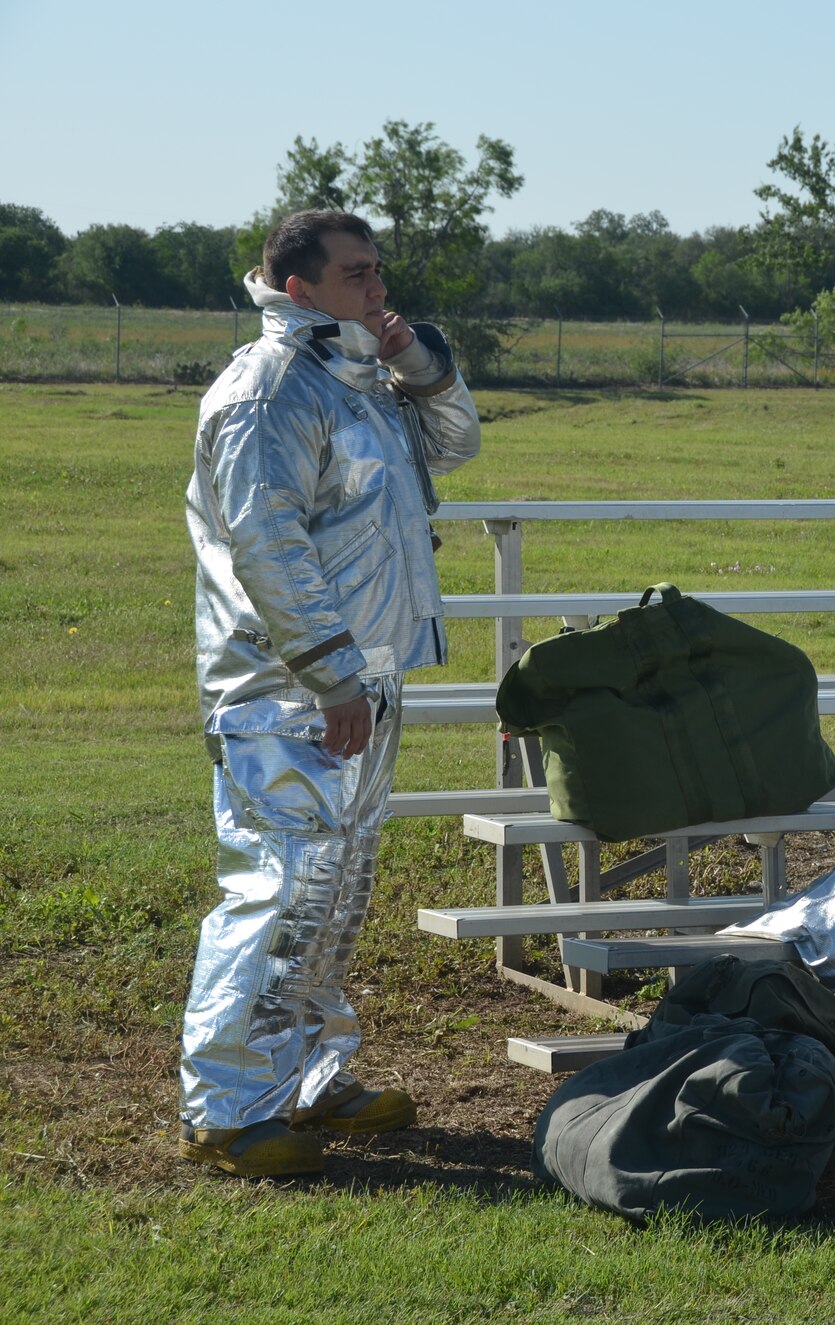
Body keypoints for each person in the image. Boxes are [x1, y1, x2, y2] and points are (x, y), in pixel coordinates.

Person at [178, 210, 481, 1177]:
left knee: (333, 895)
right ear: (297, 287)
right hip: (286, 690)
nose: (378, 289)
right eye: (358, 275)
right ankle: (226, 1105)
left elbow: (458, 444)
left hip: (363, 680)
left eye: (379, 271)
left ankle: (308, 1079)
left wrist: (421, 363)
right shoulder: (267, 390)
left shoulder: (356, 376)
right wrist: (331, 668)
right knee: (275, 893)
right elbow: (268, 543)